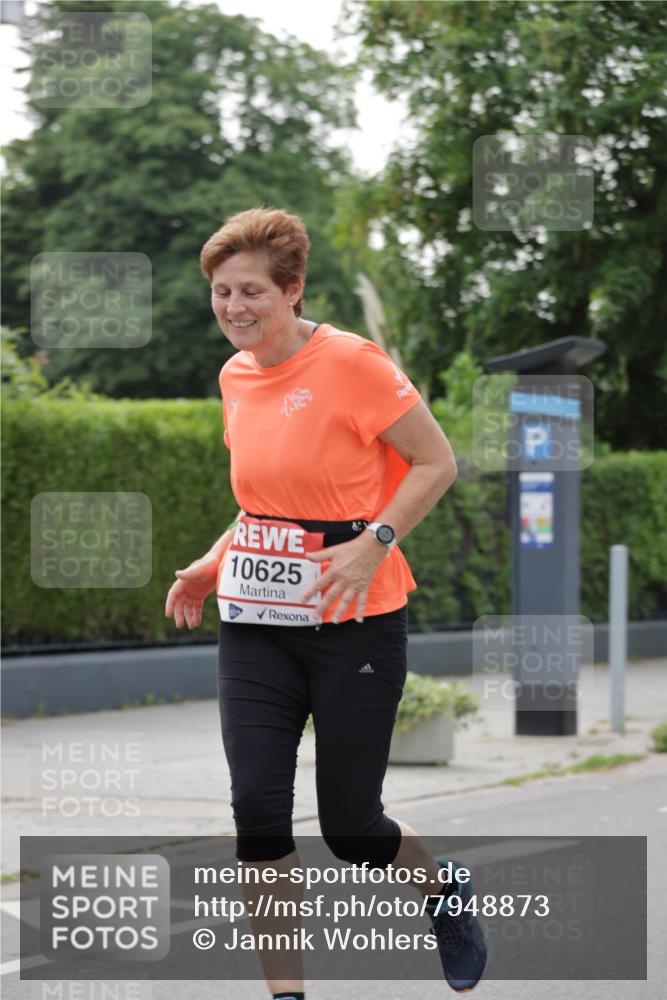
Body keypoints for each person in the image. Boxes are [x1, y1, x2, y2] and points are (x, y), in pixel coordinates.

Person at [164, 207, 487, 997]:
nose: (233, 307)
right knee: (257, 810)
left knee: (350, 826)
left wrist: (374, 541)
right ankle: (288, 995)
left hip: (357, 623)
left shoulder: (350, 363)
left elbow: (435, 462)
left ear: (292, 290)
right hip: (257, 624)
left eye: (250, 291)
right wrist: (210, 564)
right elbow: (265, 505)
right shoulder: (234, 377)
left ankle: (443, 889)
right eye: (221, 292)